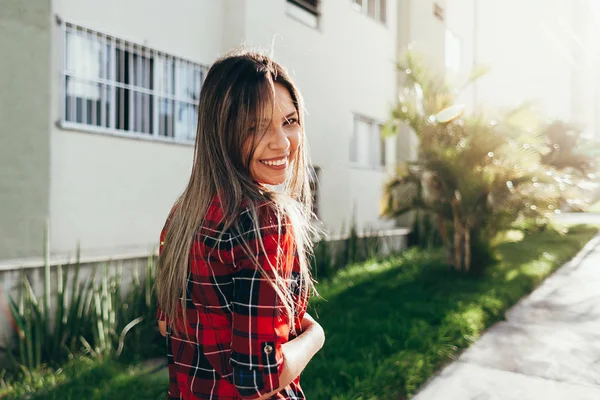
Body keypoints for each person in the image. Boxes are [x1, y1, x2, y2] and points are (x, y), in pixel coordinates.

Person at [154, 50, 325, 400]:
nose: (281, 143)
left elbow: (166, 323)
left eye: (289, 121)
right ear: (223, 131)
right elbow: (260, 380)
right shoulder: (265, 220)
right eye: (257, 126)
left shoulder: (183, 214)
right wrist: (315, 336)